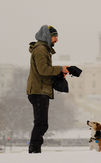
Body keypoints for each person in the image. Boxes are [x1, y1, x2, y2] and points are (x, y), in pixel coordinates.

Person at [26, 25, 69, 153]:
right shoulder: (40, 49)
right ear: (47, 36)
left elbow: (44, 71)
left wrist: (59, 73)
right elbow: (43, 70)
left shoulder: (44, 49)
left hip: (41, 91)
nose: (56, 40)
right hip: (38, 92)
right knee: (41, 124)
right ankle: (34, 150)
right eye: (55, 37)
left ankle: (35, 149)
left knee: (41, 123)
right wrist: (60, 68)